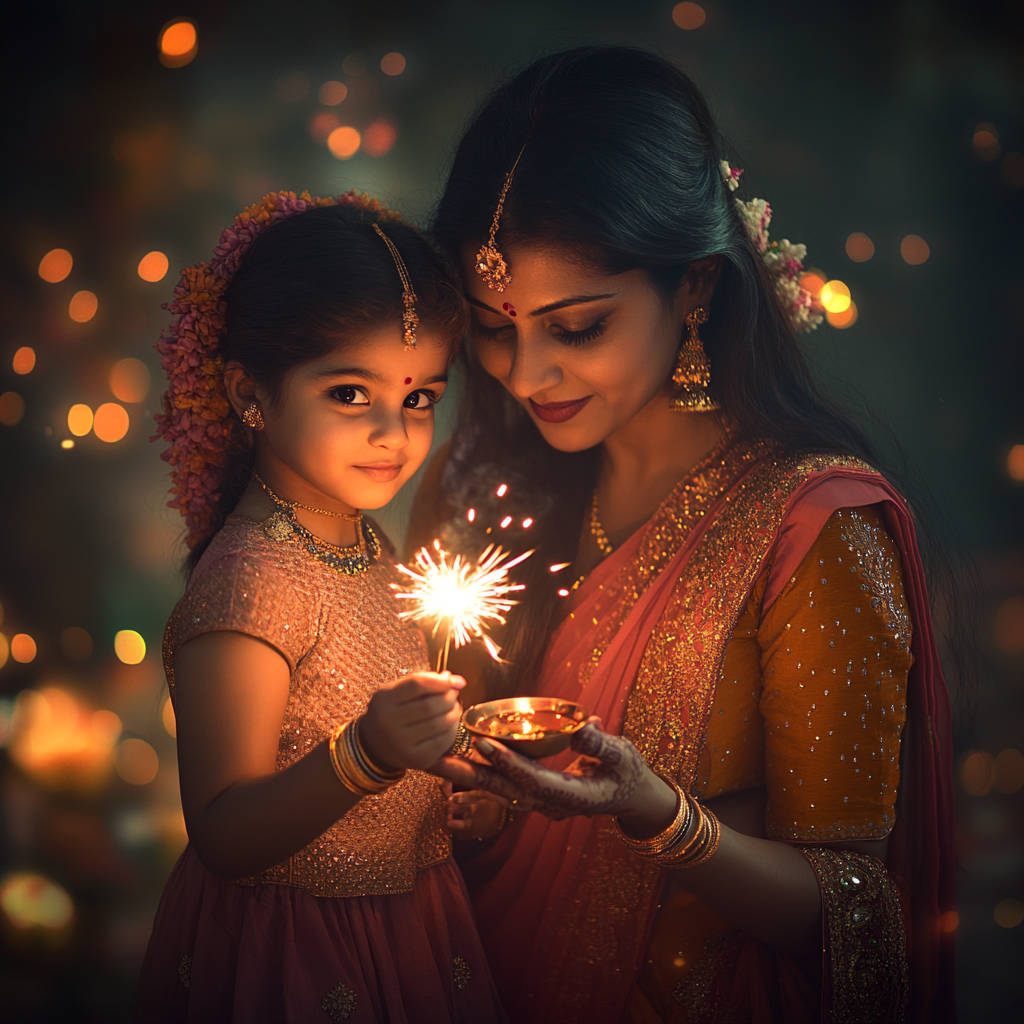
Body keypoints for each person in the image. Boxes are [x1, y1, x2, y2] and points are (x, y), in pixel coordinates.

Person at [412, 48, 956, 1024]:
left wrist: (658, 816)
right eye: (494, 329)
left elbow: (860, 914)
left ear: (694, 288)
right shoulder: (501, 491)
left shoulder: (813, 531)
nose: (527, 373)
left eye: (575, 326)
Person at [137, 191, 507, 1023]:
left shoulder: (368, 543)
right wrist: (370, 753)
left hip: (414, 920)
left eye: (419, 398)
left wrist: (445, 793)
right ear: (250, 393)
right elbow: (226, 834)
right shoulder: (253, 581)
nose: (393, 431)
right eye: (350, 393)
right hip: (295, 949)